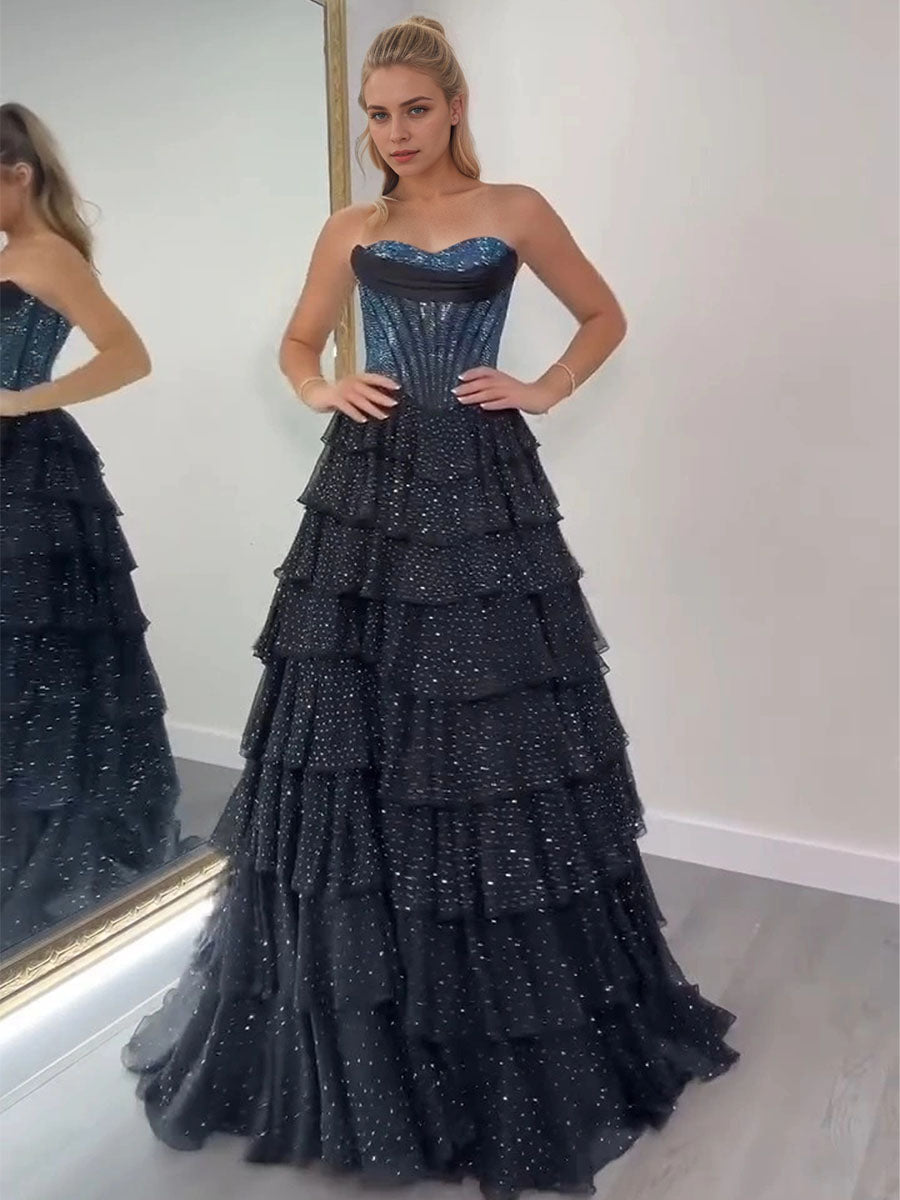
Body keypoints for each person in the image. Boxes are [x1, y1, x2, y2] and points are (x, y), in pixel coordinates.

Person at [122, 17, 739, 1197]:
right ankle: (364, 1017)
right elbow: (298, 341)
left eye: (413, 109)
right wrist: (322, 385)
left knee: (491, 734)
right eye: (377, 113)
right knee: (347, 734)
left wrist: (546, 386)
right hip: (369, 491)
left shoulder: (515, 208)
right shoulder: (350, 228)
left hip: (487, 490)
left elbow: (604, 314)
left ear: (454, 108)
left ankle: (497, 1011)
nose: (393, 133)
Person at [0, 102, 189, 951]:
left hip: (30, 479)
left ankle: (46, 842)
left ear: (19, 174)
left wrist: (23, 400)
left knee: (38, 660)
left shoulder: (48, 256)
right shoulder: (11, 256)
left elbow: (127, 355)